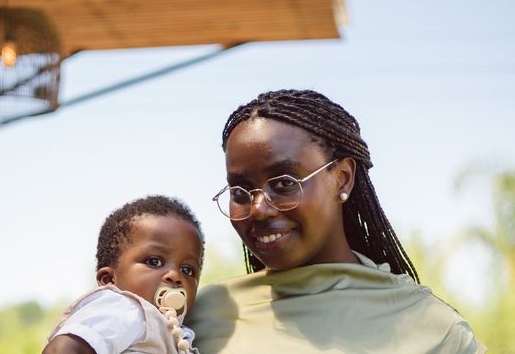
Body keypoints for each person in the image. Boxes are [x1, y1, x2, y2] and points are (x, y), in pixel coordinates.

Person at [186, 89, 486, 353]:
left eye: (284, 184)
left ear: (342, 179)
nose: (259, 209)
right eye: (240, 191)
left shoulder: (432, 329)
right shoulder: (199, 316)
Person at [43, 195, 204, 354]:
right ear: (109, 280)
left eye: (187, 270)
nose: (175, 275)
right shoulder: (126, 308)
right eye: (154, 262)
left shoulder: (180, 334)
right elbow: (63, 349)